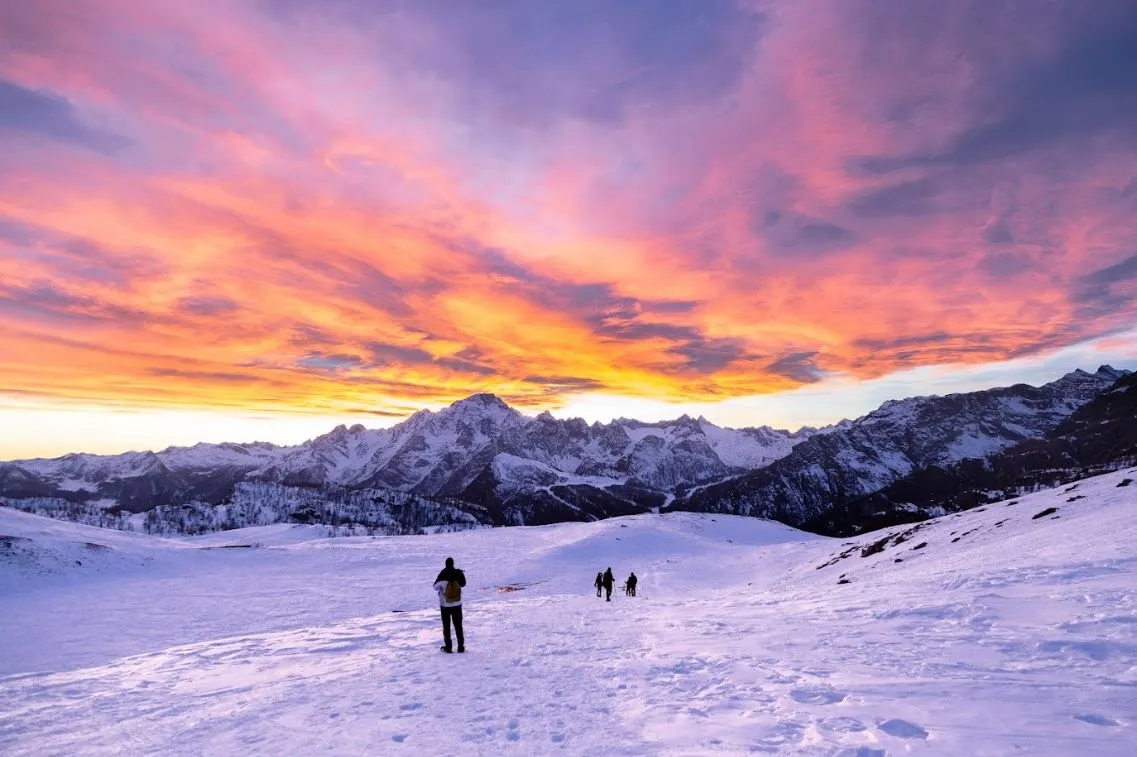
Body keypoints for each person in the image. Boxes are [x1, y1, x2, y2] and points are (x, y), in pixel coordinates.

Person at [433, 557, 466, 653]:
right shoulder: (458, 573)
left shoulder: (443, 574)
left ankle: (448, 647)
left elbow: (435, 587)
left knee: (446, 626)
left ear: (445, 564)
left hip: (445, 605)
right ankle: (460, 647)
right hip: (457, 604)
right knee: (458, 626)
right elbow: (463, 584)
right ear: (453, 563)